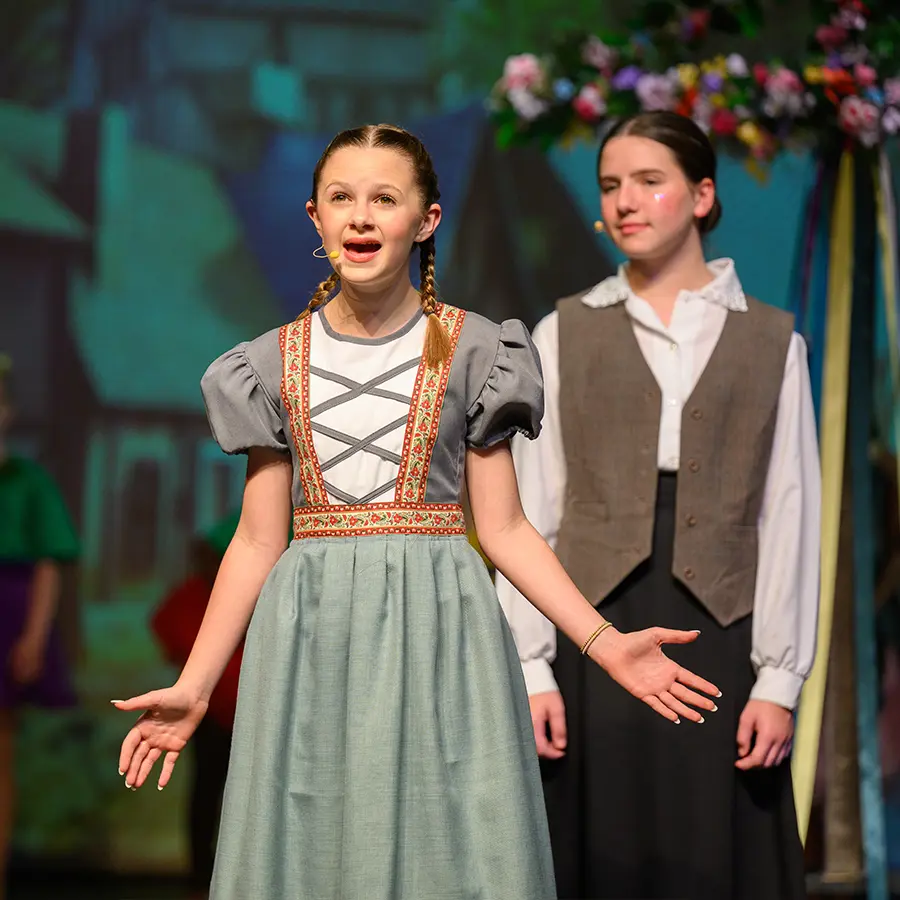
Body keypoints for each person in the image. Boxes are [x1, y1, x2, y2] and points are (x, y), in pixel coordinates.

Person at [113, 123, 720, 900]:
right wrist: (196, 685)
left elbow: (503, 529)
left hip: (441, 623)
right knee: (312, 840)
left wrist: (602, 644)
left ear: (426, 219)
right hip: (311, 628)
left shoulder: (476, 352)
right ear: (315, 218)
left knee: (451, 844)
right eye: (342, 198)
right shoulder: (265, 366)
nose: (361, 217)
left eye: (384, 199)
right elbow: (259, 539)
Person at [496, 109, 821, 899]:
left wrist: (779, 682)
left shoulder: (772, 339)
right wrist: (531, 666)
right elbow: (531, 511)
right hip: (596, 631)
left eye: (649, 181)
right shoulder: (563, 332)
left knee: (713, 856)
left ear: (703, 195)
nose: (624, 202)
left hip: (722, 635)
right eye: (611, 186)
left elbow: (788, 516)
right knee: (602, 853)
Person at [0, 355, 79, 900]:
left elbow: (50, 563)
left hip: (7, 615)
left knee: (1, 753)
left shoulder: (26, 481)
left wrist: (31, 637)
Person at [150, 512, 242, 899]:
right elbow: (165, 627)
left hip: (248, 713)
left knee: (245, 797)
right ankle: (200, 877)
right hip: (207, 717)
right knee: (206, 792)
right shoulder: (190, 596)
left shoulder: (254, 595)